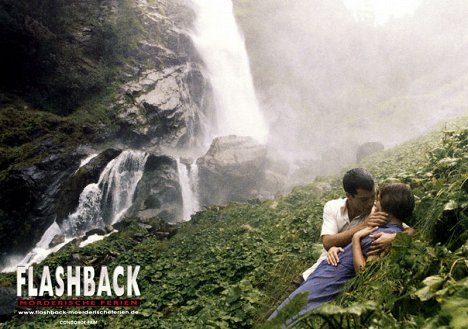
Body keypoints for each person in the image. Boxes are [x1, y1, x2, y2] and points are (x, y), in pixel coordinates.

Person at [268, 183, 415, 325]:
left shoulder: (382, 237)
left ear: (386, 211)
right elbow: (328, 242)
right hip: (320, 280)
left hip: (325, 287)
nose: (374, 203)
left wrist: (356, 239)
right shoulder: (380, 228)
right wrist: (340, 248)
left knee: (283, 321)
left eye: (378, 200)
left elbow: (365, 274)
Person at [302, 168, 412, 280]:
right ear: (349, 196)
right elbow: (327, 242)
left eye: (373, 196)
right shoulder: (332, 206)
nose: (370, 202)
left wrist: (394, 237)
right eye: (364, 199)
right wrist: (364, 226)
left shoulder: (378, 210)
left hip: (340, 274)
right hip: (317, 269)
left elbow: (409, 230)